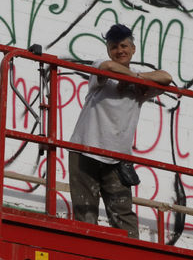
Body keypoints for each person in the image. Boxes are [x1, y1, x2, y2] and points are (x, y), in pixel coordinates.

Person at [69, 23, 173, 238]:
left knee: (123, 217)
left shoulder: (139, 81)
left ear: (133, 49)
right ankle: (87, 258)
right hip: (85, 150)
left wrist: (136, 79)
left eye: (124, 46)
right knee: (85, 213)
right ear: (108, 50)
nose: (120, 51)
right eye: (114, 47)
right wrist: (132, 78)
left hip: (117, 158)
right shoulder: (101, 70)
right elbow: (108, 67)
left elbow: (166, 77)